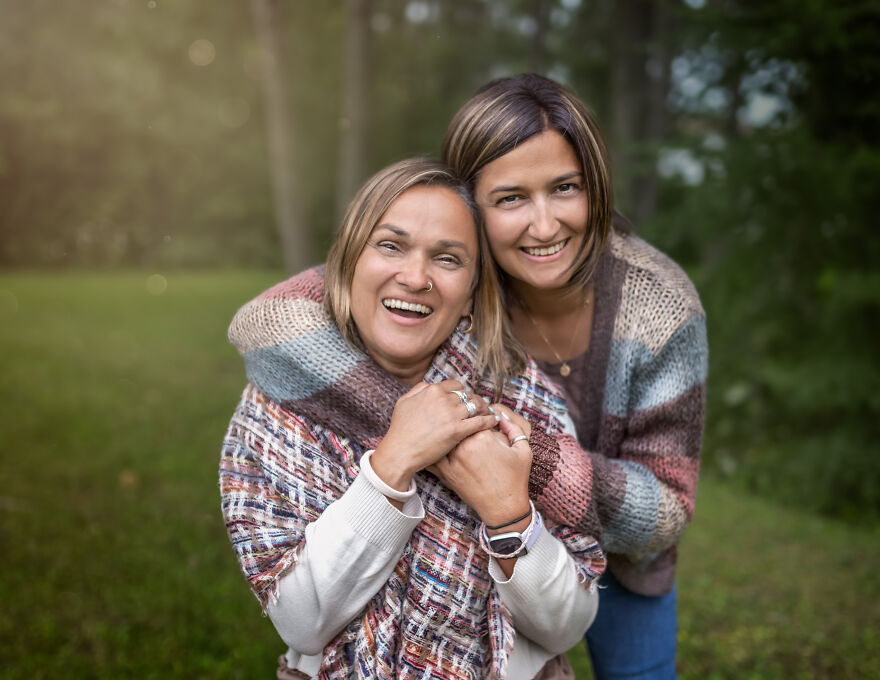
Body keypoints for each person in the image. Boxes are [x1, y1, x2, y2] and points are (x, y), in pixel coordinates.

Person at [220, 158, 605, 680]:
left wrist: (508, 512)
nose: (416, 277)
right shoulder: (281, 402)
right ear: (350, 261)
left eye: (447, 259)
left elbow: (567, 628)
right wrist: (392, 463)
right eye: (391, 245)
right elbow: (301, 621)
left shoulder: (524, 400)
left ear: (471, 293)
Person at [441, 74, 708, 680]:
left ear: (596, 185)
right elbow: (272, 320)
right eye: (510, 198)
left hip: (625, 562)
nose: (544, 225)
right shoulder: (445, 272)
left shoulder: (661, 306)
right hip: (491, 544)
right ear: (467, 204)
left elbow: (667, 507)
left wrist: (529, 461)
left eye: (564, 188)